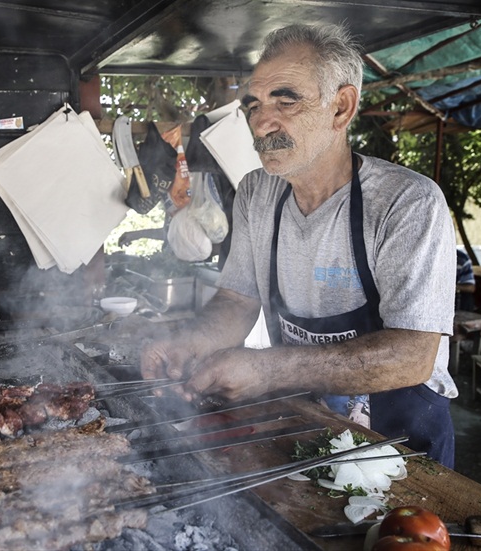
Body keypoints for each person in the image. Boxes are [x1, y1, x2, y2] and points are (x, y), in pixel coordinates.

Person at [140, 24, 459, 467]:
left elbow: (413, 355)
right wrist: (187, 343)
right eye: (254, 104)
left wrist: (268, 369)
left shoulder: (407, 202)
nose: (261, 122)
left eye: (285, 100)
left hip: (400, 442)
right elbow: (236, 300)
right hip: (301, 425)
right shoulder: (257, 192)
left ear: (341, 108)